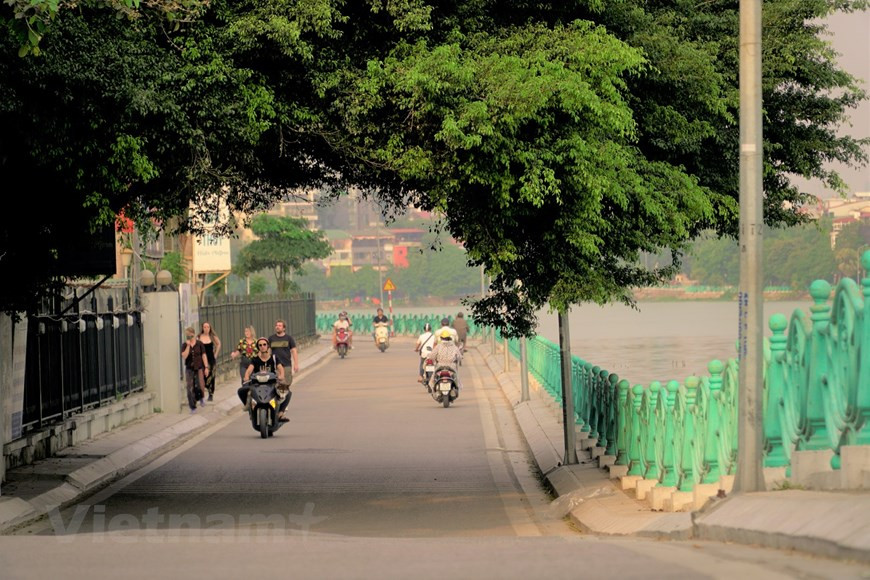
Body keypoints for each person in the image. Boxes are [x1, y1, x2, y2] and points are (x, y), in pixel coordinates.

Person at [238, 337, 291, 423]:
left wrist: (281, 375)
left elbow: (280, 368)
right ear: (258, 347)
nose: (262, 346)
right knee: (241, 391)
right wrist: (246, 376)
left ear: (268, 346)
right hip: (257, 384)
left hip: (272, 383)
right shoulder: (255, 359)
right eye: (260, 345)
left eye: (264, 344)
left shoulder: (274, 358)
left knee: (287, 393)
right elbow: (249, 370)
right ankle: (249, 406)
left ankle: (281, 413)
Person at [181, 326, 209, 413]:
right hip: (189, 369)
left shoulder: (200, 344)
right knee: (190, 388)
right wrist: (188, 346)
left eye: (191, 336)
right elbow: (184, 356)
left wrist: (206, 367)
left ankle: (201, 397)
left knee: (200, 385)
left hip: (199, 367)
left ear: (194, 335)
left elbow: (204, 355)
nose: (190, 338)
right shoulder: (184, 345)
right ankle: (193, 407)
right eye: (188, 336)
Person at [428, 328, 463, 395]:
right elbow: (459, 357)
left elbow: (432, 356)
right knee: (456, 378)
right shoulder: (454, 347)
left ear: (441, 338)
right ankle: (455, 389)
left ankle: (434, 390)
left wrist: (431, 358)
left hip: (440, 366)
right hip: (451, 366)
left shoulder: (438, 346)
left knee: (433, 379)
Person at [199, 321, 221, 402]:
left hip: (211, 359)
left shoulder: (212, 336)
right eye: (204, 327)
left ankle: (210, 394)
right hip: (202, 359)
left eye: (208, 327)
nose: (206, 329)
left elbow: (218, 344)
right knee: (202, 376)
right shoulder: (199, 337)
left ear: (210, 328)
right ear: (202, 328)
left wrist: (215, 354)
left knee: (211, 377)